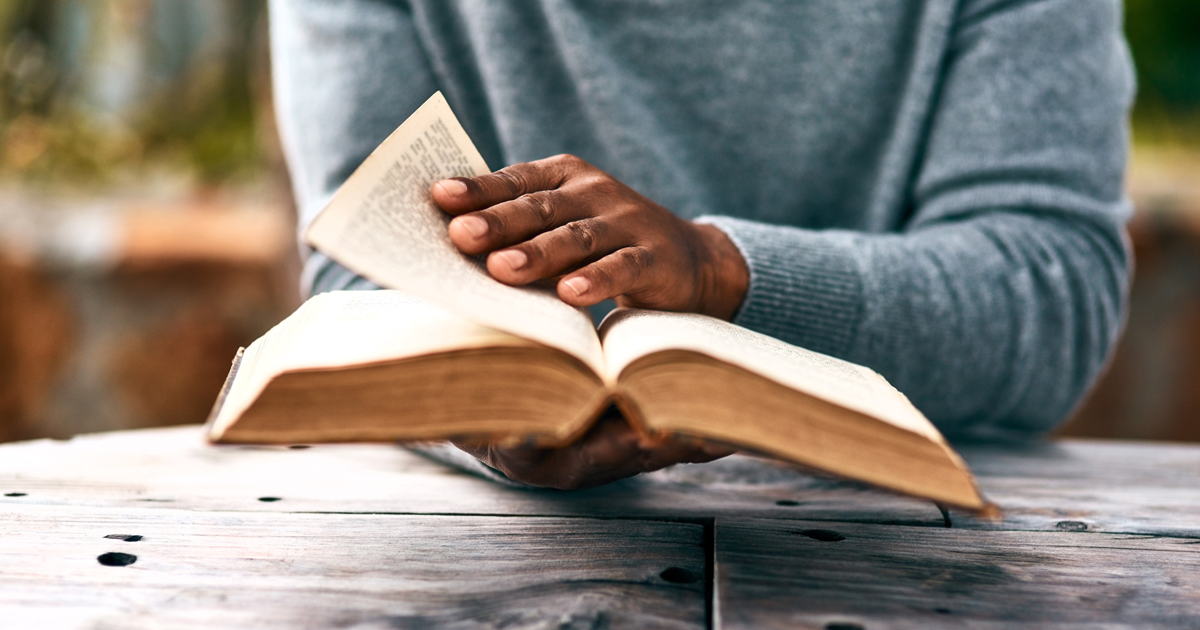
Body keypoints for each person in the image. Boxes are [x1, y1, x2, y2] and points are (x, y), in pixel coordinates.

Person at [270, 0, 1134, 488]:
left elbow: (1049, 284)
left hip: (917, 551)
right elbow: (360, 275)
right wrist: (472, 403)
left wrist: (723, 273)